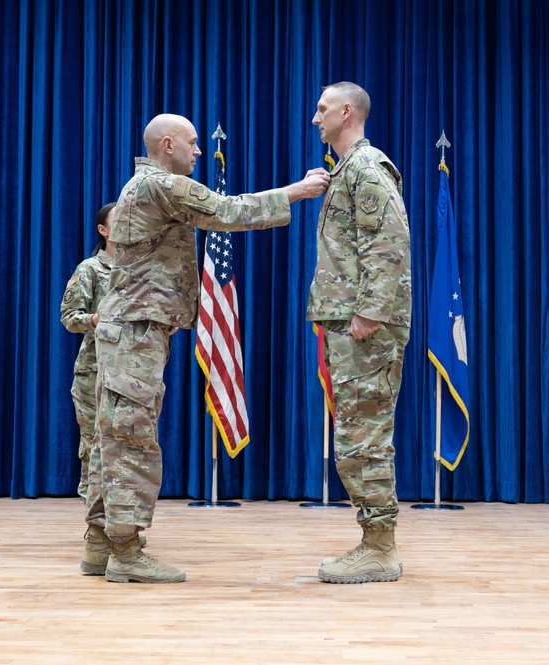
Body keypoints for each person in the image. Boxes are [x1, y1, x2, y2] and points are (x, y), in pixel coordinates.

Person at [85, 113, 330, 584]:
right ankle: (125, 551)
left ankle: (101, 545)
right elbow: (229, 211)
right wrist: (296, 191)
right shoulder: (162, 185)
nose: (200, 152)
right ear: (169, 144)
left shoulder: (145, 186)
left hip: (133, 328)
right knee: (131, 440)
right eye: (194, 144)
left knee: (111, 437)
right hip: (134, 330)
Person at [308, 82, 412, 584]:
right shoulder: (346, 171)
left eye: (323, 109)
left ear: (346, 112)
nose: (315, 118)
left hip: (365, 327)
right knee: (356, 434)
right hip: (348, 323)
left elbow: (388, 243)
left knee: (363, 438)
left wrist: (369, 313)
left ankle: (379, 548)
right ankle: (374, 540)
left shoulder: (367, 169)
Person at [60, 201, 117, 511]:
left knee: (125, 452)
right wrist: (96, 319)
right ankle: (97, 522)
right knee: (95, 447)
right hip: (94, 374)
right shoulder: (91, 269)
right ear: (103, 230)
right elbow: (69, 317)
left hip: (131, 376)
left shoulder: (140, 269)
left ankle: (122, 522)